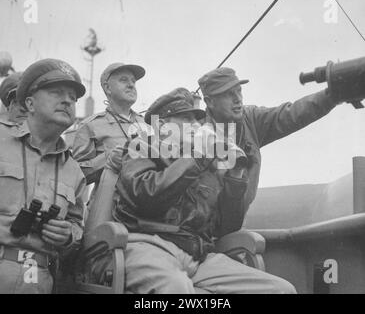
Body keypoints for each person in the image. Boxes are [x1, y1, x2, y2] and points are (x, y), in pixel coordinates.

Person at [92, 88, 296, 294]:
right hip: (148, 246)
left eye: (197, 120)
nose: (196, 126)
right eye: (186, 119)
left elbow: (225, 227)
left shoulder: (202, 163)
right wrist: (198, 157)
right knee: (176, 288)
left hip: (197, 256)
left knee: (280, 290)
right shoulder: (141, 148)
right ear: (161, 125)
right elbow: (147, 195)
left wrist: (236, 178)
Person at [198, 67, 342, 218]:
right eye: (228, 94)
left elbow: (291, 114)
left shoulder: (251, 120)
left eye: (238, 91)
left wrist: (332, 96)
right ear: (210, 102)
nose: (237, 98)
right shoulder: (194, 136)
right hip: (200, 228)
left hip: (232, 224)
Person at [0, 58, 86, 294]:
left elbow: (77, 224)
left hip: (39, 280)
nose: (67, 100)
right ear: (29, 103)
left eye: (73, 97)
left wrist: (68, 235)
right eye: (57, 92)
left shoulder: (74, 171)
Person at [72, 63, 146, 214]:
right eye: (124, 80)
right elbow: (75, 176)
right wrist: (108, 159)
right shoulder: (90, 126)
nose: (131, 85)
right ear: (107, 88)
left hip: (145, 210)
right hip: (108, 211)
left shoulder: (148, 125)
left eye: (133, 81)